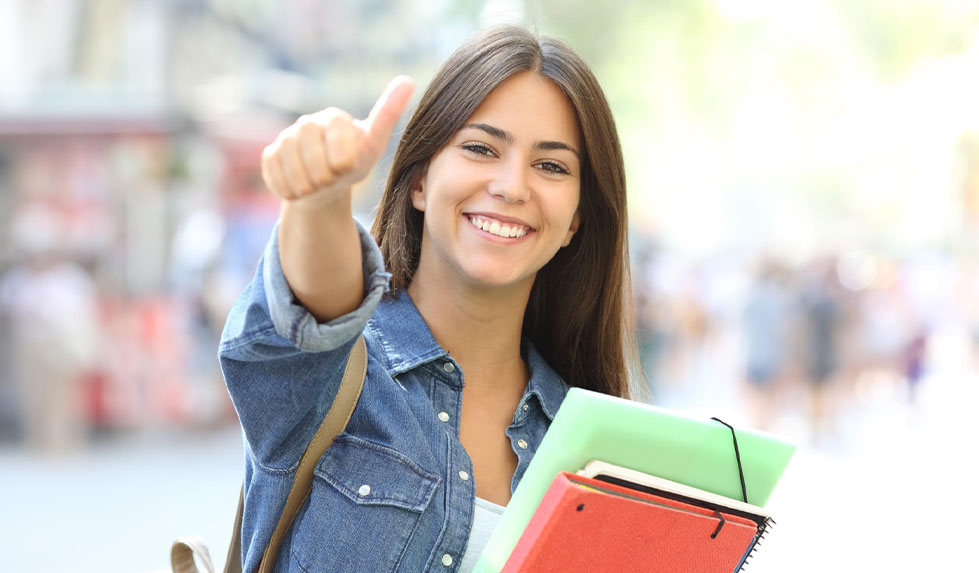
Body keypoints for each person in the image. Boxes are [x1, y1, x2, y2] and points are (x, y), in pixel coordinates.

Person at [220, 24, 635, 571]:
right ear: (419, 181)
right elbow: (317, 309)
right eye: (481, 148)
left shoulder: (591, 446)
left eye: (551, 165)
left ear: (575, 220)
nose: (512, 186)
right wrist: (320, 201)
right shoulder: (334, 376)